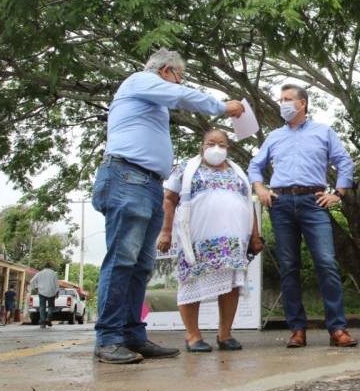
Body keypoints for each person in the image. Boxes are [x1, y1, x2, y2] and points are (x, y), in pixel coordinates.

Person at [92, 48, 246, 364]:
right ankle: (108, 338)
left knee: (140, 266)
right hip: (126, 176)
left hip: (148, 183)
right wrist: (221, 106)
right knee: (122, 260)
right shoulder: (139, 81)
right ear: (166, 71)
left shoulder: (151, 100)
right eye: (180, 76)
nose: (180, 82)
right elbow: (180, 96)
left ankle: (133, 336)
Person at [248, 84, 358, 348]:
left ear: (302, 103)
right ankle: (297, 329)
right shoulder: (274, 136)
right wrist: (260, 187)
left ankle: (337, 329)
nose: (282, 103)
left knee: (326, 263)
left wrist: (338, 193)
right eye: (280, 99)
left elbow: (345, 161)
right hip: (281, 203)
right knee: (288, 268)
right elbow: (255, 165)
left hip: (313, 202)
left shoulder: (324, 132)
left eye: (287, 99)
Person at [157, 129, 264, 352]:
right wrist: (166, 231)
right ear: (202, 146)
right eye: (211, 143)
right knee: (190, 283)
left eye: (222, 145)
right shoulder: (186, 169)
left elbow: (248, 204)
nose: (217, 148)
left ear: (228, 148)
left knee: (231, 285)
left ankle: (225, 334)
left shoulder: (237, 172)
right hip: (196, 241)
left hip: (233, 243)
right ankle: (193, 336)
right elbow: (168, 199)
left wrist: (254, 236)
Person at [29, 263, 59, 329]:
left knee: (42, 307)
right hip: (51, 292)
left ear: (44, 266)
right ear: (50, 266)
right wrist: (57, 292)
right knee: (51, 306)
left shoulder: (40, 273)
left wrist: (35, 287)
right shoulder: (54, 273)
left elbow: (32, 281)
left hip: (42, 292)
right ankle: (48, 318)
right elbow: (56, 284)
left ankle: (42, 323)